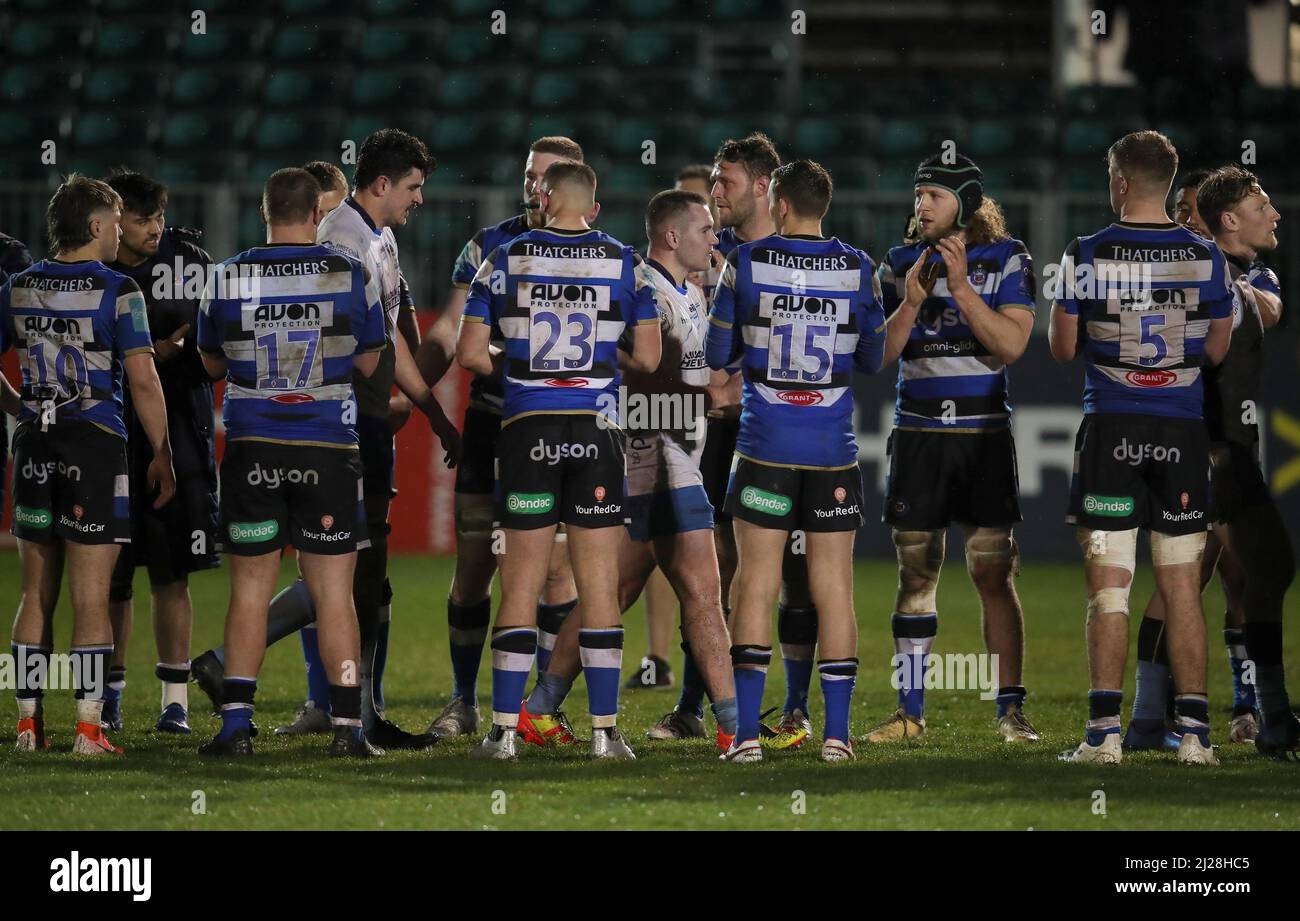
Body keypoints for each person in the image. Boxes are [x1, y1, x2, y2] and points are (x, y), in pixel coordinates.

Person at [516, 189, 741, 752]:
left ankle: (538, 709)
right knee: (706, 592)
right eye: (705, 229)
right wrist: (719, 394)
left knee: (614, 588)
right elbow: (644, 385)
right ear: (673, 236)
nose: (714, 238)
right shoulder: (642, 289)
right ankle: (736, 730)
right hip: (654, 457)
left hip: (665, 454)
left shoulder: (685, 292)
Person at [457, 160, 661, 760]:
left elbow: (471, 353)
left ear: (543, 200)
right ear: (593, 209)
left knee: (519, 582)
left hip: (526, 429)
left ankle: (502, 733)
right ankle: (605, 734)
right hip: (598, 432)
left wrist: (522, 368)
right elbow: (648, 359)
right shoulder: (627, 262)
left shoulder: (505, 257)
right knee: (598, 584)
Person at [1050, 130, 1233, 766]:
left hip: (1112, 432)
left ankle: (1103, 737)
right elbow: (1214, 351)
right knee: (1183, 588)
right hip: (1180, 433)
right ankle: (1195, 737)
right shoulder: (1206, 256)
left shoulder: (1086, 253)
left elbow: (1064, 349)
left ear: (1122, 182)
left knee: (1109, 590)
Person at [195, 168, 387, 757]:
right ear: (314, 214)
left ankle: (234, 727)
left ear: (265, 212)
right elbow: (372, 364)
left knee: (251, 590)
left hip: (253, 447)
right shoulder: (350, 273)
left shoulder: (227, 276)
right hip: (327, 446)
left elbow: (209, 366)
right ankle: (349, 731)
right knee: (333, 592)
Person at [706, 159, 886, 763]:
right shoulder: (859, 268)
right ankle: (837, 736)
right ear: (823, 205)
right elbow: (872, 355)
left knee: (754, 582)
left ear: (779, 204)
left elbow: (716, 352)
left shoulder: (746, 263)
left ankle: (748, 740)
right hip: (832, 453)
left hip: (763, 447)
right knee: (833, 588)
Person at [867, 152, 1040, 745]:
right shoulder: (896, 266)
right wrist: (912, 302)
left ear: (965, 202)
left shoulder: (1007, 258)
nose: (921, 205)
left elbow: (1012, 344)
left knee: (993, 571)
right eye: (918, 194)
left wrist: (961, 290)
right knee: (916, 573)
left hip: (983, 436)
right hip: (918, 436)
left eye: (934, 195)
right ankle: (910, 714)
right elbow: (878, 356)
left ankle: (1011, 711)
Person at [1126, 165, 1298, 759]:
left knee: (1202, 579)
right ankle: (1268, 715)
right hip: (1205, 448)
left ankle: (1153, 718)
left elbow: (1270, 310)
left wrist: (1218, 271)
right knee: (1255, 570)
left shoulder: (1241, 272)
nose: (1275, 215)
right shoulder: (1193, 270)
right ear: (1232, 220)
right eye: (1263, 206)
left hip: (1230, 449)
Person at [416, 136, 584, 738]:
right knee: (473, 563)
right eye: (528, 175)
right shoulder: (488, 246)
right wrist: (411, 393)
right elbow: (447, 332)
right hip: (492, 423)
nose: (534, 188)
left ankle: (541, 708)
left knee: (559, 574)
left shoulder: (598, 253)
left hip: (562, 429)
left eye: (546, 177)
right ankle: (464, 702)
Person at [2, 175, 176, 755]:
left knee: (34, 591)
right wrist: (163, 452)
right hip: (96, 445)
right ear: (99, 225)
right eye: (118, 217)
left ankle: (27, 725)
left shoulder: (17, 288)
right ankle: (88, 729)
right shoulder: (119, 289)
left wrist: (19, 408)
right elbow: (145, 379)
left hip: (34, 443)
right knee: (91, 596)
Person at [100, 169, 219, 735]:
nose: (156, 230)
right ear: (114, 223)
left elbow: (217, 345)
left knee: (174, 573)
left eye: (159, 218)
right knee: (112, 577)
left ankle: (176, 702)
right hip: (113, 438)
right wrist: (152, 354)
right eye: (144, 220)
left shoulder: (192, 261)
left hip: (184, 435)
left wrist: (171, 356)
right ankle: (110, 695)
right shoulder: (94, 269)